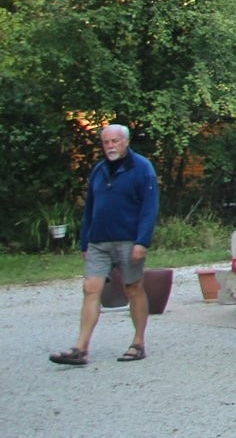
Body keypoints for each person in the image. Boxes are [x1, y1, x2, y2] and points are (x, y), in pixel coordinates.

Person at [49, 123, 159, 365]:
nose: (110, 146)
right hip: (99, 240)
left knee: (133, 288)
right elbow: (90, 207)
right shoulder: (99, 170)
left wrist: (142, 241)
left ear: (126, 142)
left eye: (115, 141)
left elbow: (150, 208)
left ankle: (138, 342)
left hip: (129, 239)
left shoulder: (142, 168)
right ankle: (81, 348)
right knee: (90, 288)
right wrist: (85, 241)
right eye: (106, 142)